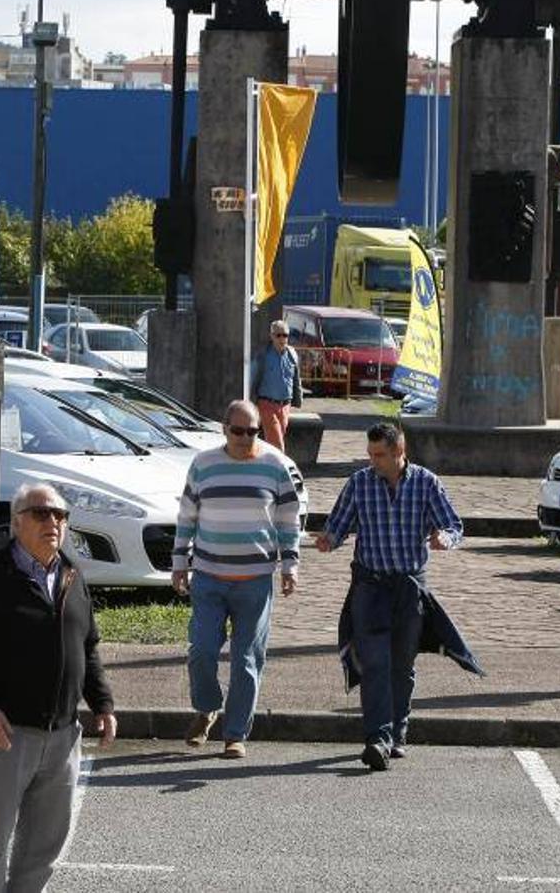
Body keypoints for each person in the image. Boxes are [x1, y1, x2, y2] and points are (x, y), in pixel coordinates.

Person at [0, 482, 117, 893]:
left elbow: (87, 645)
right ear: (17, 522)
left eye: (60, 515)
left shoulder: (72, 574)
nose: (53, 522)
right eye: (41, 513)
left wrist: (103, 704)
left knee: (45, 845)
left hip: (63, 735)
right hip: (6, 733)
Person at [314, 422, 463, 772]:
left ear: (399, 452)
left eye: (379, 455)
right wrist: (328, 540)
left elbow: (454, 526)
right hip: (370, 587)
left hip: (410, 587)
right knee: (374, 662)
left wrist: (444, 538)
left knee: (402, 665)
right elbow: (338, 525)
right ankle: (377, 739)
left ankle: (397, 733)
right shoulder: (359, 483)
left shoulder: (426, 483)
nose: (373, 461)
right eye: (370, 454)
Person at [172, 399, 302, 759]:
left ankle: (235, 734)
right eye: (238, 431)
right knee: (201, 652)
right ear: (224, 429)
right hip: (209, 576)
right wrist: (179, 562)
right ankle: (206, 708)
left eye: (253, 431)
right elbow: (187, 516)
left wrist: (290, 564)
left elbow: (289, 518)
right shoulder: (203, 464)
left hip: (255, 579)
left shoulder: (276, 465)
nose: (245, 438)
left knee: (246, 659)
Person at [249, 319, 303, 451]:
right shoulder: (263, 355)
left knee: (274, 441)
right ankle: (280, 462)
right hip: (267, 403)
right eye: (278, 335)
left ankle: (265, 461)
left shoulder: (292, 354)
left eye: (285, 335)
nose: (282, 339)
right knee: (277, 443)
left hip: (285, 405)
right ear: (272, 336)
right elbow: (251, 377)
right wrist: (250, 402)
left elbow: (296, 379)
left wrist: (298, 398)